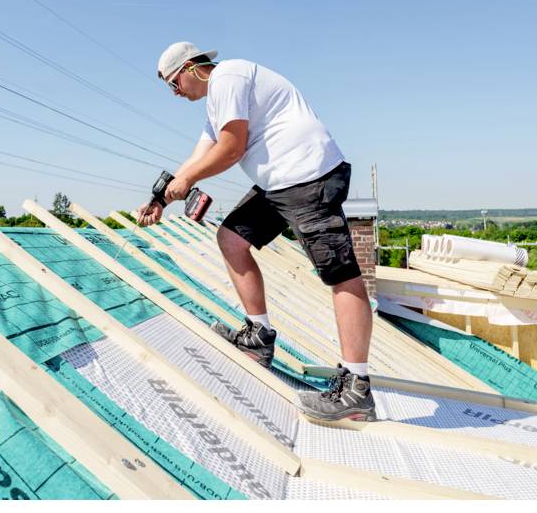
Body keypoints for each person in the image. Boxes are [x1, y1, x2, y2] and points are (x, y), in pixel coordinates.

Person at [136, 41, 376, 422]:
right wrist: (160, 200)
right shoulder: (216, 103)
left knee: (340, 275)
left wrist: (190, 179)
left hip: (307, 175)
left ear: (190, 67)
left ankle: (357, 390)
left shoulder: (228, 77)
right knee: (231, 238)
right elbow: (197, 158)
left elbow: (231, 150)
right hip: (277, 182)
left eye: (173, 83)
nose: (175, 93)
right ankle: (259, 336)